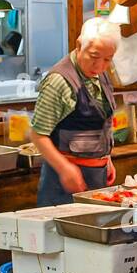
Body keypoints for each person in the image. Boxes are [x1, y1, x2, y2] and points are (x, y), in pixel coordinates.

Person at [30, 17, 119, 206]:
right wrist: (64, 169)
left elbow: (100, 121)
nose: (100, 66)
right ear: (79, 45)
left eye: (108, 59)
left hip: (96, 177)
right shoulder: (59, 81)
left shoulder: (99, 75)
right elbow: (38, 134)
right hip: (62, 184)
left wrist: (105, 156)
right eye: (94, 57)